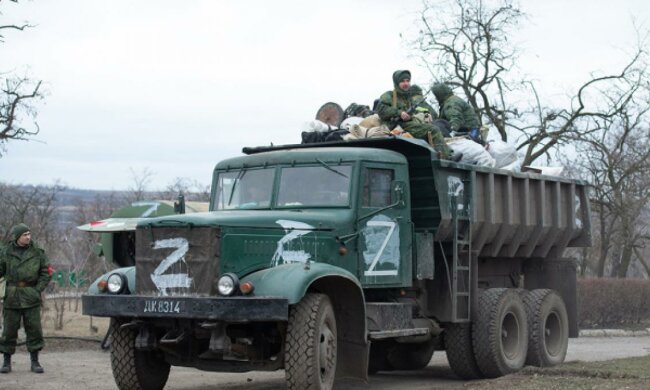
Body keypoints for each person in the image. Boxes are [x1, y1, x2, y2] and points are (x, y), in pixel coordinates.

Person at [0, 223, 51, 374]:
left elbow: (45, 273)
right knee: (9, 330)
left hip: (31, 295)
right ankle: (6, 362)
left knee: (34, 329)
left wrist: (37, 290)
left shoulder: (38, 252)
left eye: (29, 234)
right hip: (12, 296)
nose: (28, 237)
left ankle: (35, 362)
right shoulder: (6, 252)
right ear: (17, 237)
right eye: (25, 235)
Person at [377, 70, 456, 160]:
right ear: (396, 83)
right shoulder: (389, 95)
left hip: (405, 124)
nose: (406, 83)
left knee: (430, 126)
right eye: (402, 81)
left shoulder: (408, 98)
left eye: (407, 81)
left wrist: (410, 116)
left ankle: (440, 154)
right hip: (394, 126)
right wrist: (399, 113)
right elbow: (381, 110)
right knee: (433, 130)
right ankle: (446, 157)